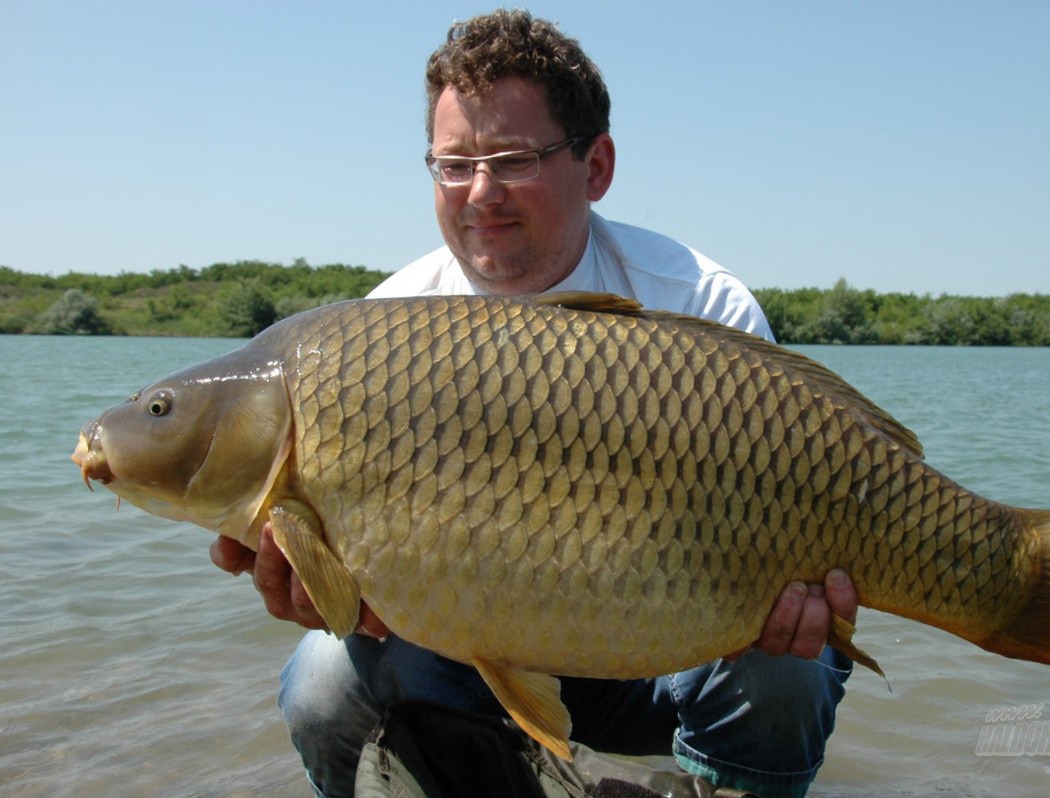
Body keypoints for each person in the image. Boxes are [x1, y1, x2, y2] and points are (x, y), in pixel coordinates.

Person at [210, 9, 858, 798]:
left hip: (668, 653)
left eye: (512, 158)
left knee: (789, 669)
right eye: (453, 164)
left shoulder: (699, 304)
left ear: (596, 166)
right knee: (321, 683)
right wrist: (332, 593)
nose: (480, 192)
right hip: (471, 653)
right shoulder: (384, 325)